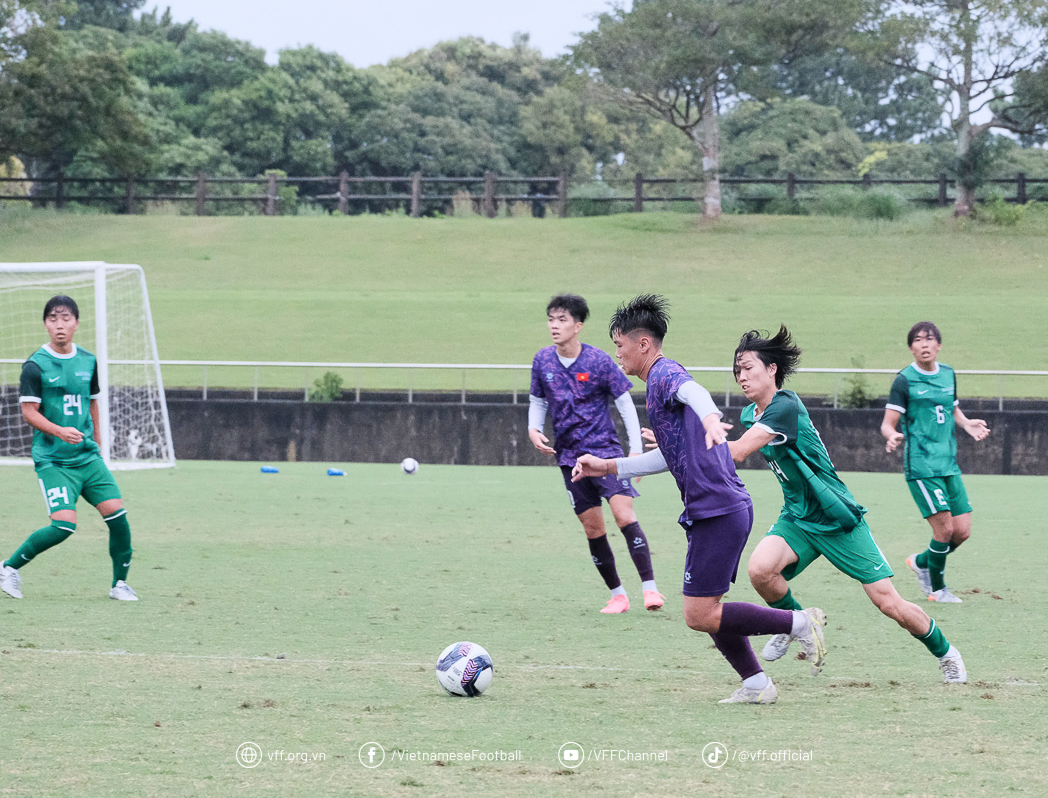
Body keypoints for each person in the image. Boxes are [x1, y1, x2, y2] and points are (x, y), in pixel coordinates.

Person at [573, 295, 826, 704]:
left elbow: (693, 391)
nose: (616, 354)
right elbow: (667, 457)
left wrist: (710, 418)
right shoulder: (656, 386)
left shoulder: (664, 374)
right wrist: (608, 467)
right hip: (712, 509)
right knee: (707, 608)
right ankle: (757, 685)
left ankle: (798, 621)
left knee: (700, 613)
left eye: (619, 345)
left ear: (642, 344)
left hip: (719, 509)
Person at [728, 325, 965, 683]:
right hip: (798, 517)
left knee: (889, 603)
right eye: (737, 371)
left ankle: (947, 653)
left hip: (837, 518)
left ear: (771, 369)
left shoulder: (784, 407)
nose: (741, 377)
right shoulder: (752, 414)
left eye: (748, 368)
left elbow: (736, 452)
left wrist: (683, 442)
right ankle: (795, 623)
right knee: (761, 570)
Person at [528, 293, 664, 614]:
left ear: (578, 325)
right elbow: (538, 400)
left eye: (561, 320)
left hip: (606, 455)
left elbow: (625, 403)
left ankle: (650, 589)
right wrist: (534, 428)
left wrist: (635, 450)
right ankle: (618, 595)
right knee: (593, 529)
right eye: (551, 319)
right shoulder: (542, 361)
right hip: (568, 459)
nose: (554, 326)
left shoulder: (600, 361)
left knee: (624, 516)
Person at [0, 295, 138, 601]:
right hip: (53, 461)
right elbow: (29, 413)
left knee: (118, 518)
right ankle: (8, 568)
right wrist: (60, 431)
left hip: (87, 457)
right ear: (46, 324)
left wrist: (99, 443)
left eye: (65, 319)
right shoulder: (35, 366)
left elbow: (92, 402)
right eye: (52, 319)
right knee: (63, 525)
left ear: (76, 323)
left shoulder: (88, 360)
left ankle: (119, 584)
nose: (59, 325)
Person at [880, 321, 990, 604]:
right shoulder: (904, 380)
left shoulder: (949, 374)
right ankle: (938, 590)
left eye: (929, 340)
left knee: (962, 531)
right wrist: (892, 435)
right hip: (921, 466)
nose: (924, 344)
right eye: (918, 340)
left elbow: (951, 408)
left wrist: (966, 424)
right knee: (944, 529)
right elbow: (887, 424)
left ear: (939, 345)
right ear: (911, 348)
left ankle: (921, 562)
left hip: (948, 464)